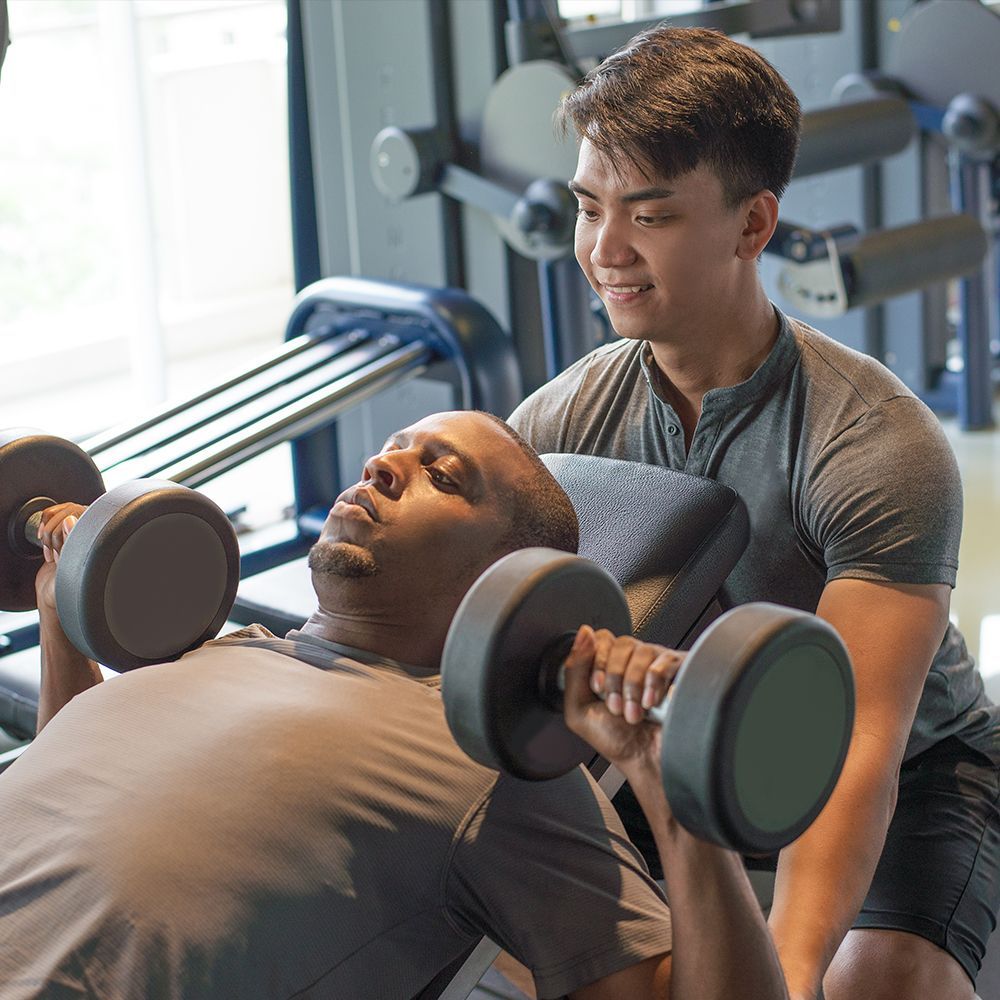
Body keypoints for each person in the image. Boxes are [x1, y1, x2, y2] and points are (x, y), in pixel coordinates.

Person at [508, 25, 1000, 1000]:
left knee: (878, 984)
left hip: (918, 765)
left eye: (647, 215)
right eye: (588, 207)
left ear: (752, 224)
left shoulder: (872, 441)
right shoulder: (561, 419)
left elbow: (855, 744)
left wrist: (790, 968)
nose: (604, 250)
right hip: (668, 744)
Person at [0, 409, 791, 1000]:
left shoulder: (494, 762)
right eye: (391, 452)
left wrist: (677, 798)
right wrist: (60, 619)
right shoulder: (222, 648)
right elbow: (67, 794)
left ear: (508, 576)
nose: (380, 468)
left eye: (440, 476)